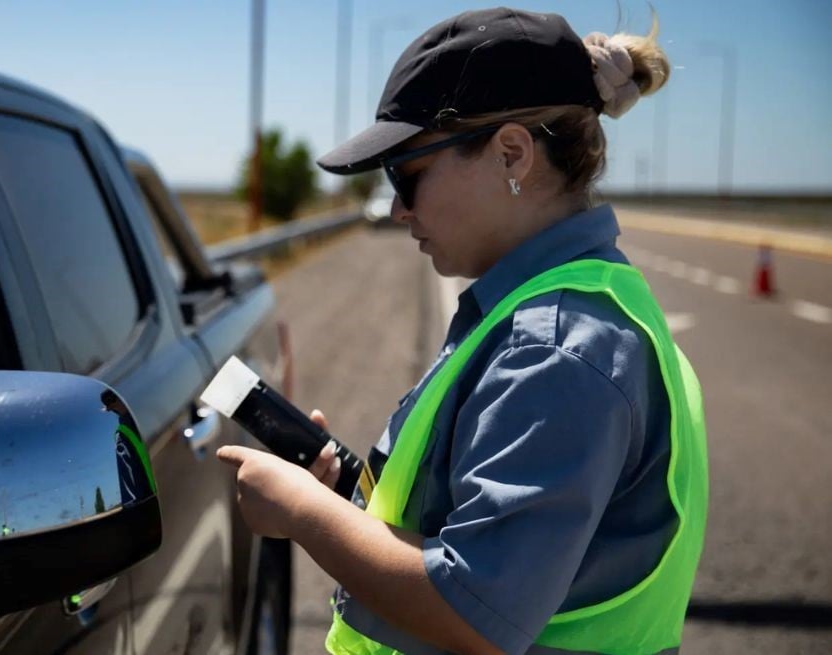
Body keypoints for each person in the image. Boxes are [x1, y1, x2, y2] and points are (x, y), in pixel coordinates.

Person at [216, 8, 708, 655]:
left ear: (511, 154)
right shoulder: (548, 312)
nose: (396, 208)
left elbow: (474, 610)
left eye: (406, 174)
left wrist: (304, 513)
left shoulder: (552, 351)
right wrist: (344, 495)